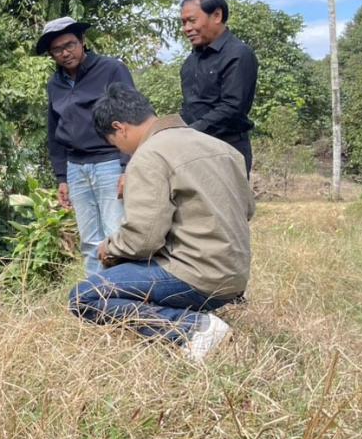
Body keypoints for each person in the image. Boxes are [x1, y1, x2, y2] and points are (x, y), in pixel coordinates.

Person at [68, 84, 255, 363]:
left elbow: (144, 239)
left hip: (197, 278)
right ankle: (197, 316)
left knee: (85, 296)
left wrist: (110, 248)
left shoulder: (150, 155)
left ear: (120, 128)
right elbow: (248, 209)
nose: (121, 151)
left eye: (114, 144)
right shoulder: (222, 147)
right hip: (235, 277)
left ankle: (192, 328)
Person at [37, 16, 135, 275]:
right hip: (76, 168)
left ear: (82, 42)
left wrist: (129, 166)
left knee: (117, 235)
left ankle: (128, 299)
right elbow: (55, 131)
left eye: (69, 45)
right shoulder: (55, 84)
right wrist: (61, 177)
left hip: (110, 162)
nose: (65, 53)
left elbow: (132, 117)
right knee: (90, 240)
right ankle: (99, 300)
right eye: (57, 50)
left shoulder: (111, 70)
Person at [179, 0, 258, 174]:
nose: (187, 28)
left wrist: (190, 132)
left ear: (216, 16)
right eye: (183, 23)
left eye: (192, 21)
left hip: (227, 148)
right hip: (194, 148)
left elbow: (232, 107)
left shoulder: (238, 54)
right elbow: (190, 107)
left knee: (226, 203)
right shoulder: (190, 61)